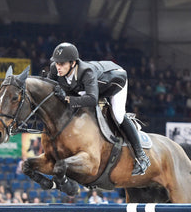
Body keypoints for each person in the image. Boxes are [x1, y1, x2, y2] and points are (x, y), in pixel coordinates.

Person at [47, 42, 150, 176]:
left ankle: (141, 156)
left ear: (73, 63)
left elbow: (92, 99)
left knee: (118, 115)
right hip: (90, 86)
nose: (58, 67)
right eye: (56, 63)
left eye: (62, 64)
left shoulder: (86, 72)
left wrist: (67, 99)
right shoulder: (55, 69)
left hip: (115, 81)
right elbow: (48, 88)